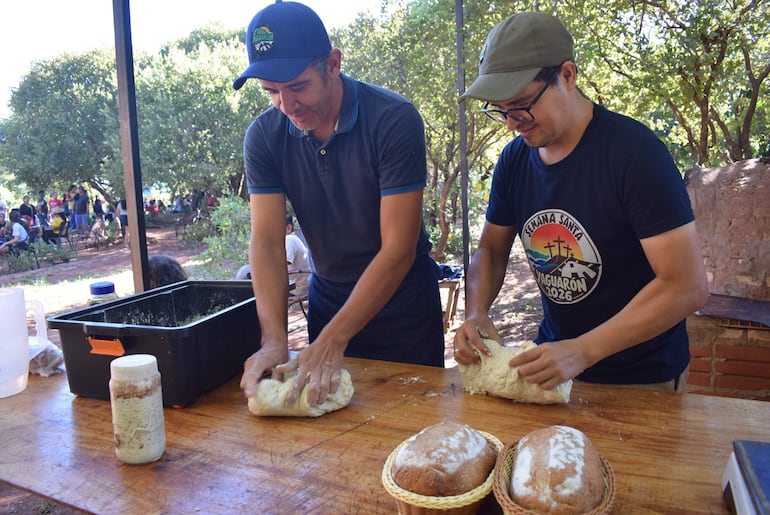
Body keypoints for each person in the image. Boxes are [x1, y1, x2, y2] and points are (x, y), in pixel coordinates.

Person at [453, 12, 709, 393]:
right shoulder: (514, 161)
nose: (511, 123)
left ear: (568, 76)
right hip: (553, 370)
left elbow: (686, 285)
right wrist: (476, 311)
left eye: (521, 104)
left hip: (642, 379)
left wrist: (584, 350)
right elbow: (490, 249)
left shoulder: (634, 154)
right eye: (500, 109)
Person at [234, 1, 445, 406]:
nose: (287, 105)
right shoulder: (263, 136)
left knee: (413, 424)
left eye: (297, 86)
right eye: (272, 92)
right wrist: (274, 340)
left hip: (403, 305)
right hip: (328, 297)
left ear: (332, 64)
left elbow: (398, 249)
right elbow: (265, 243)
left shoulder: (393, 119)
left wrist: (333, 340)